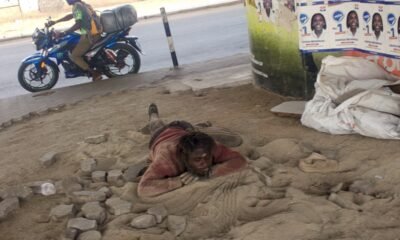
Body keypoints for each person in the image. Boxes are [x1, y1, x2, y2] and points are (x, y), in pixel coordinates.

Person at [137, 103, 248, 198]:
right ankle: (153, 114)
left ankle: (198, 127)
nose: (204, 163)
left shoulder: (211, 147)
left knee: (236, 140)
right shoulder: (167, 158)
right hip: (160, 135)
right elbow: (143, 188)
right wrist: (178, 182)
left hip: (185, 128)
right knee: (156, 123)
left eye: (207, 157)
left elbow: (239, 160)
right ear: (185, 156)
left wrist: (212, 171)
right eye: (197, 159)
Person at [47, 0, 102, 81]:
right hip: (92, 32)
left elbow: (78, 24)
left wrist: (64, 33)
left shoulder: (77, 6)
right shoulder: (80, 4)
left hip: (89, 35)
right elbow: (70, 16)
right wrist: (55, 22)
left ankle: (94, 73)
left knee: (74, 56)